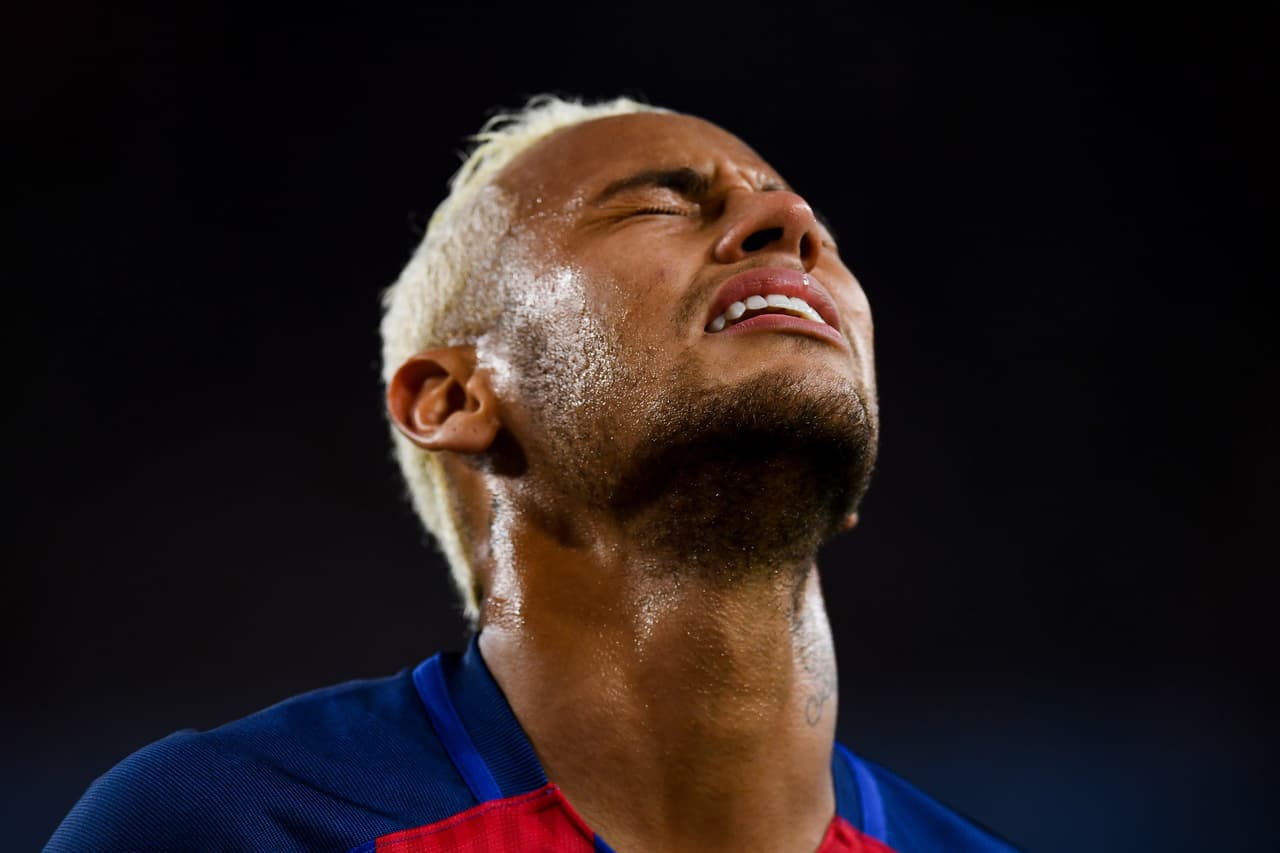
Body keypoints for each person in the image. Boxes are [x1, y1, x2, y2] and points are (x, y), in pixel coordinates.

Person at [49, 95, 1019, 853]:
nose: (789, 217)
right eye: (657, 203)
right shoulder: (225, 828)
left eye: (817, 230)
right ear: (452, 399)